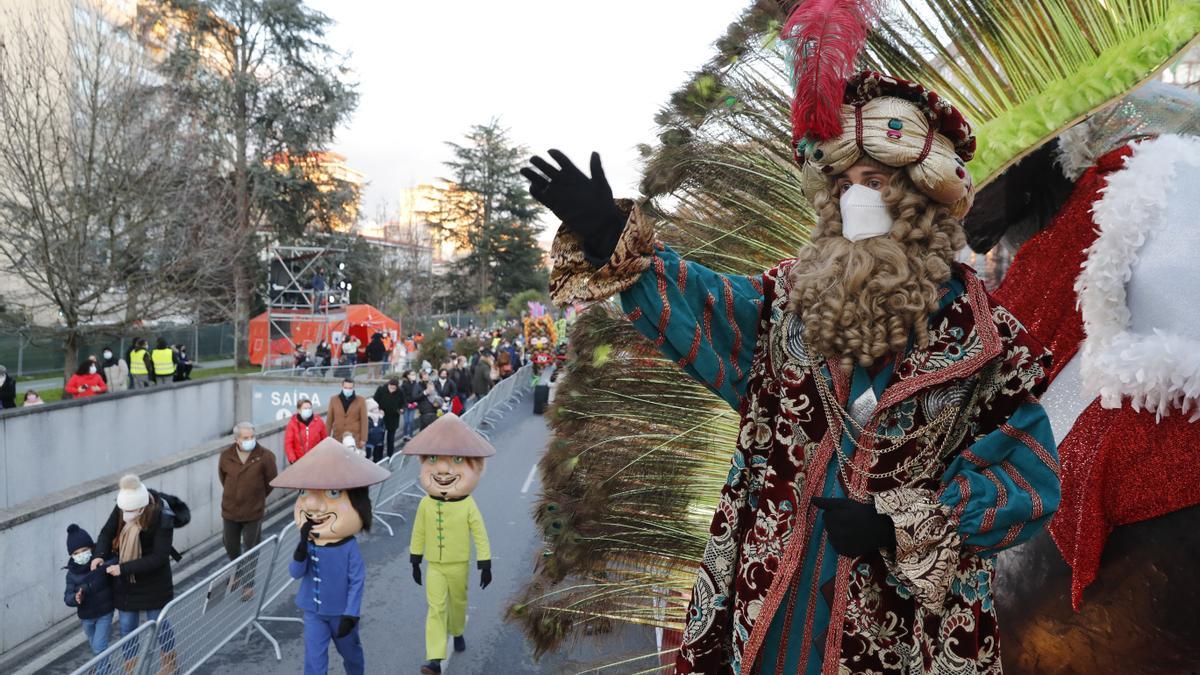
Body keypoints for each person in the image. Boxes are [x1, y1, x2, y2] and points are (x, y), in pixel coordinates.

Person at [523, 63, 1060, 673]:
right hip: (772, 602)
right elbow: (702, 307)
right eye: (845, 181)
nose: (857, 196)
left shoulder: (985, 342)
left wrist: (900, 525)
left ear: (918, 195)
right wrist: (607, 231)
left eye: (876, 179)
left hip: (902, 629)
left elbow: (1028, 477)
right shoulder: (787, 302)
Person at [271, 438, 390, 675]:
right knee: (314, 660)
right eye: (304, 493)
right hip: (313, 612)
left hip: (341, 612)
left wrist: (351, 613)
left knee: (351, 653)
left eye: (333, 493)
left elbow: (357, 579)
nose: (313, 505)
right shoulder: (310, 542)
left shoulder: (348, 547)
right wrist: (301, 547)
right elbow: (295, 573)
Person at [404, 414, 494, 675]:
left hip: (459, 564)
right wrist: (415, 559)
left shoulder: (467, 504)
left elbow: (480, 533)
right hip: (435, 565)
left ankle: (457, 631)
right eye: (433, 460)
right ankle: (434, 659)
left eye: (456, 461)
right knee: (435, 607)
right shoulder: (425, 503)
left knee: (457, 603)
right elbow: (418, 532)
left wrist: (485, 563)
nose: (443, 471)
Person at [92, 475, 178, 671]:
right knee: (126, 629)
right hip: (127, 584)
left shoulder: (163, 516)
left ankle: (170, 664)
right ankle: (131, 669)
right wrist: (99, 555)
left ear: (142, 508)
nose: (125, 515)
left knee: (159, 624)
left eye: (130, 512)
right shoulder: (124, 506)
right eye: (123, 510)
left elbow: (159, 557)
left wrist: (123, 568)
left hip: (154, 582)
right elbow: (106, 533)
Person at [218, 422, 278, 563]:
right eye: (245, 438)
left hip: (253, 511)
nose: (250, 440)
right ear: (236, 439)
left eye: (252, 436)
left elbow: (271, 480)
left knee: (251, 548)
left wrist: (257, 496)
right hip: (230, 510)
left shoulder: (265, 456)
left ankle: (248, 582)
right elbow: (223, 478)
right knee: (230, 545)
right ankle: (239, 572)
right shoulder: (226, 456)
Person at [64, 524, 115, 657]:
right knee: (95, 648)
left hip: (105, 612)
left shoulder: (100, 560)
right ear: (71, 555)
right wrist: (75, 598)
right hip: (86, 617)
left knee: (99, 647)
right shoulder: (71, 574)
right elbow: (67, 597)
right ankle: (104, 669)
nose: (81, 555)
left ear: (91, 548)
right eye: (76, 553)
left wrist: (104, 566)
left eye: (84, 550)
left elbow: (116, 560)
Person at [327, 378, 368, 453]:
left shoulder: (361, 400)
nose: (348, 390)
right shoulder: (334, 399)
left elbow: (364, 420)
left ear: (353, 388)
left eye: (350, 388)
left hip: (354, 438)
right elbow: (329, 420)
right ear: (342, 386)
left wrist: (363, 439)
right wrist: (327, 437)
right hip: (338, 437)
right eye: (346, 388)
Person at [285, 398, 328, 464]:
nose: (308, 410)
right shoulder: (292, 424)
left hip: (316, 460)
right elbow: (288, 444)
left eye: (309, 408)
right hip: (299, 461)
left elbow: (325, 439)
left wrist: (323, 456)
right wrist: (292, 459)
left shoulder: (318, 421)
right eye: (305, 408)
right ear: (299, 410)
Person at [373, 378, 404, 458]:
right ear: (388, 385)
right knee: (380, 439)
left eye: (394, 388)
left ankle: (390, 456)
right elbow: (374, 401)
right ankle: (378, 457)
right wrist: (378, 409)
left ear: (397, 387)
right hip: (382, 417)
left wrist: (401, 409)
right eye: (390, 387)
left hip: (393, 418)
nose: (392, 390)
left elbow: (403, 403)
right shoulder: (381, 389)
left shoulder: (400, 392)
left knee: (391, 439)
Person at [401, 370, 422, 440]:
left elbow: (419, 394)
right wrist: (407, 404)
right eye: (412, 375)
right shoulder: (404, 384)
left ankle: (410, 435)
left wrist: (416, 403)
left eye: (414, 374)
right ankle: (405, 435)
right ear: (408, 376)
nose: (414, 376)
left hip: (413, 405)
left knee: (411, 421)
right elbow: (402, 396)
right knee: (406, 421)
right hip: (406, 406)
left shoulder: (416, 384)